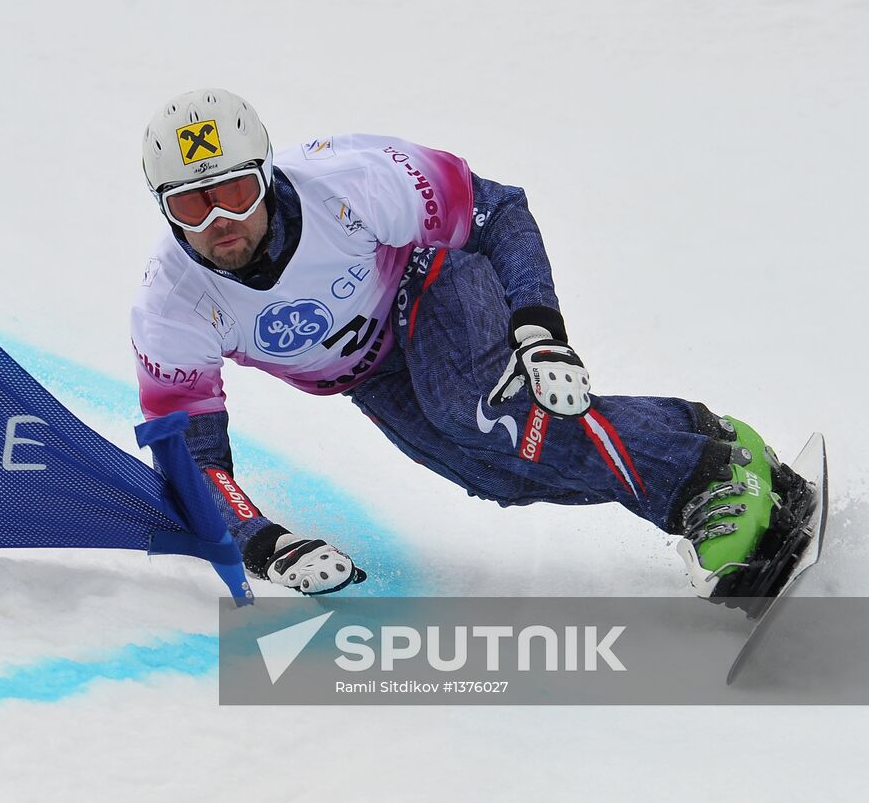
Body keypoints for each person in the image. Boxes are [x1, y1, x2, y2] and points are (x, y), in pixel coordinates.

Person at [130, 88, 813, 598]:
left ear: (266, 175)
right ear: (164, 208)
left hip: (429, 276)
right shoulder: (171, 308)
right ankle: (706, 436)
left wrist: (539, 331)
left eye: (237, 193)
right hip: (369, 373)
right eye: (192, 205)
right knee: (495, 475)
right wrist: (265, 544)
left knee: (481, 412)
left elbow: (498, 210)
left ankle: (704, 480)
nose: (220, 222)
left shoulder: (351, 180)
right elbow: (192, 461)